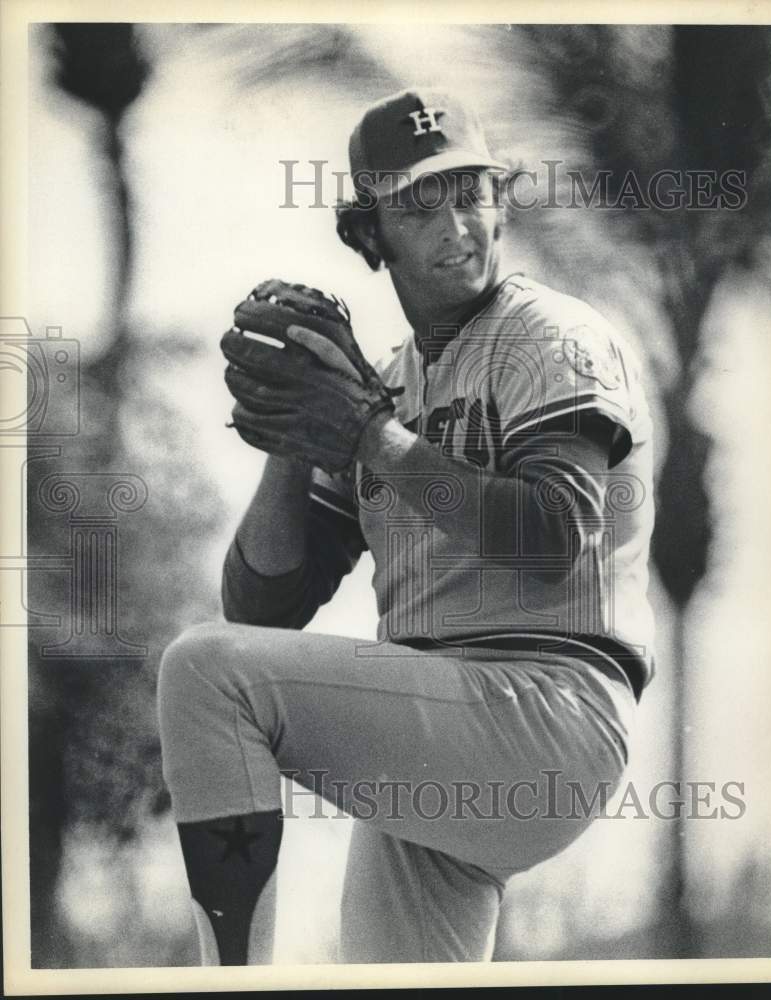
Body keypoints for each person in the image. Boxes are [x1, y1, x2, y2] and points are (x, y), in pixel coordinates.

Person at [157, 87, 655, 966]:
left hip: (548, 712)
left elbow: (550, 537)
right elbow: (262, 610)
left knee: (204, 673)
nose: (455, 224)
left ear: (501, 206)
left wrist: (366, 437)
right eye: (419, 204)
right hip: (445, 746)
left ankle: (225, 986)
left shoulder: (552, 335)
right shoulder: (380, 388)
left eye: (469, 193)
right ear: (369, 234)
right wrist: (294, 437)